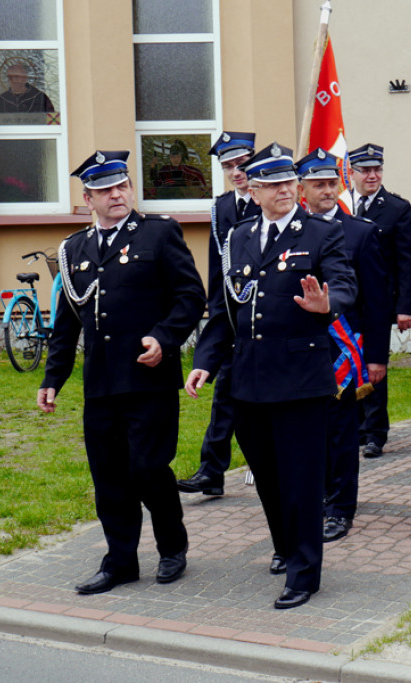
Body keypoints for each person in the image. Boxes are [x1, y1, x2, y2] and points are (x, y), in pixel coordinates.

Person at [186, 142, 357, 609]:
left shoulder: (321, 233)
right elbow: (225, 309)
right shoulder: (239, 237)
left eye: (288, 182)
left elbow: (343, 282)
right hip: (248, 379)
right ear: (254, 190)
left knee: (301, 478)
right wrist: (205, 360)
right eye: (273, 184)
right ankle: (285, 546)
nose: (284, 189)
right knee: (266, 475)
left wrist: (329, 304)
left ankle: (305, 572)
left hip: (300, 377)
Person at [37, 151, 206, 595]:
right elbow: (67, 321)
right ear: (87, 197)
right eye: (105, 190)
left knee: (148, 468)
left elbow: (190, 297)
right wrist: (53, 378)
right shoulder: (75, 249)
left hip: (149, 382)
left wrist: (164, 339)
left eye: (123, 186)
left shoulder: (158, 233)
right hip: (103, 385)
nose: (117, 195)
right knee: (110, 477)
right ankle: (120, 561)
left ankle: (172, 547)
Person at [295, 148, 391, 543]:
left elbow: (376, 299)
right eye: (318, 184)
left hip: (343, 353)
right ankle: (314, 498)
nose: (327, 190)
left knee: (342, 433)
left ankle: (340, 508)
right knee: (306, 430)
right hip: (299, 350)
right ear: (302, 188)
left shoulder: (362, 232)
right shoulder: (291, 231)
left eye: (332, 183)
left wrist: (376, 357)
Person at [178, 132, 261, 497]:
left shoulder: (270, 199)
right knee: (224, 390)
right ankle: (211, 470)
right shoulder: (222, 207)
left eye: (241, 163)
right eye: (228, 166)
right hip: (231, 314)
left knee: (263, 396)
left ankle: (265, 463)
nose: (236, 171)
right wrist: (216, 310)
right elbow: (217, 266)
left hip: (265, 315)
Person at [349, 144, 411, 459]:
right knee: (349, 366)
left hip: (379, 302)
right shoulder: (342, 207)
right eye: (365, 170)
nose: (372, 175)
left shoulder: (396, 208)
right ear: (352, 173)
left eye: (377, 169)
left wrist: (406, 307)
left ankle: (376, 433)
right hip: (346, 304)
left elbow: (407, 261)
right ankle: (356, 427)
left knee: (375, 365)